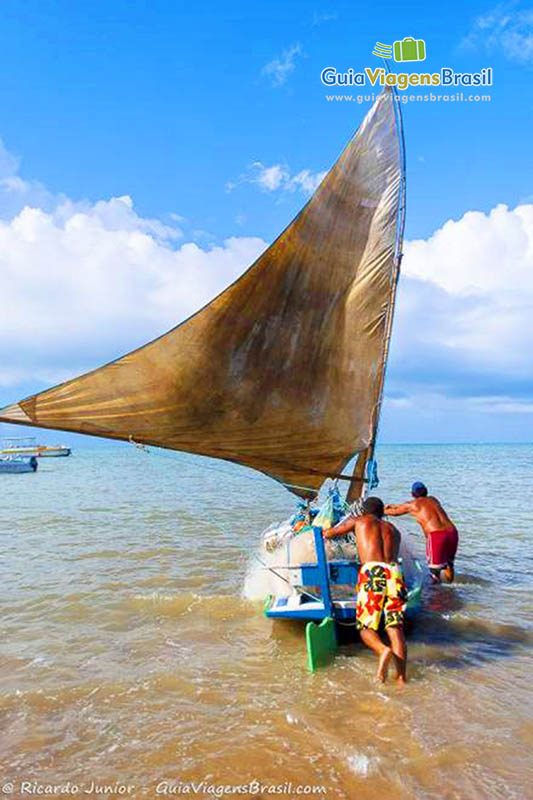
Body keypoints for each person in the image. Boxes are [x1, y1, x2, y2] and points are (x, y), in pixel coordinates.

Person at [322, 497, 408, 683]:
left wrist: (324, 530)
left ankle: (382, 650)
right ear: (382, 512)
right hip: (394, 573)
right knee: (395, 628)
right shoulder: (394, 531)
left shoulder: (359, 521)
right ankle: (401, 679)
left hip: (373, 572)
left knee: (365, 628)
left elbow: (331, 533)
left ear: (363, 511)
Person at [385, 482, 458, 584]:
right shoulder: (433, 499)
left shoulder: (412, 505)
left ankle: (436, 595)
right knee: (449, 564)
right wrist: (395, 505)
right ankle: (450, 587)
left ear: (412, 494)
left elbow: (395, 513)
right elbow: (411, 505)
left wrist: (381, 510)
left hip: (436, 535)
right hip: (452, 532)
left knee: (435, 570)